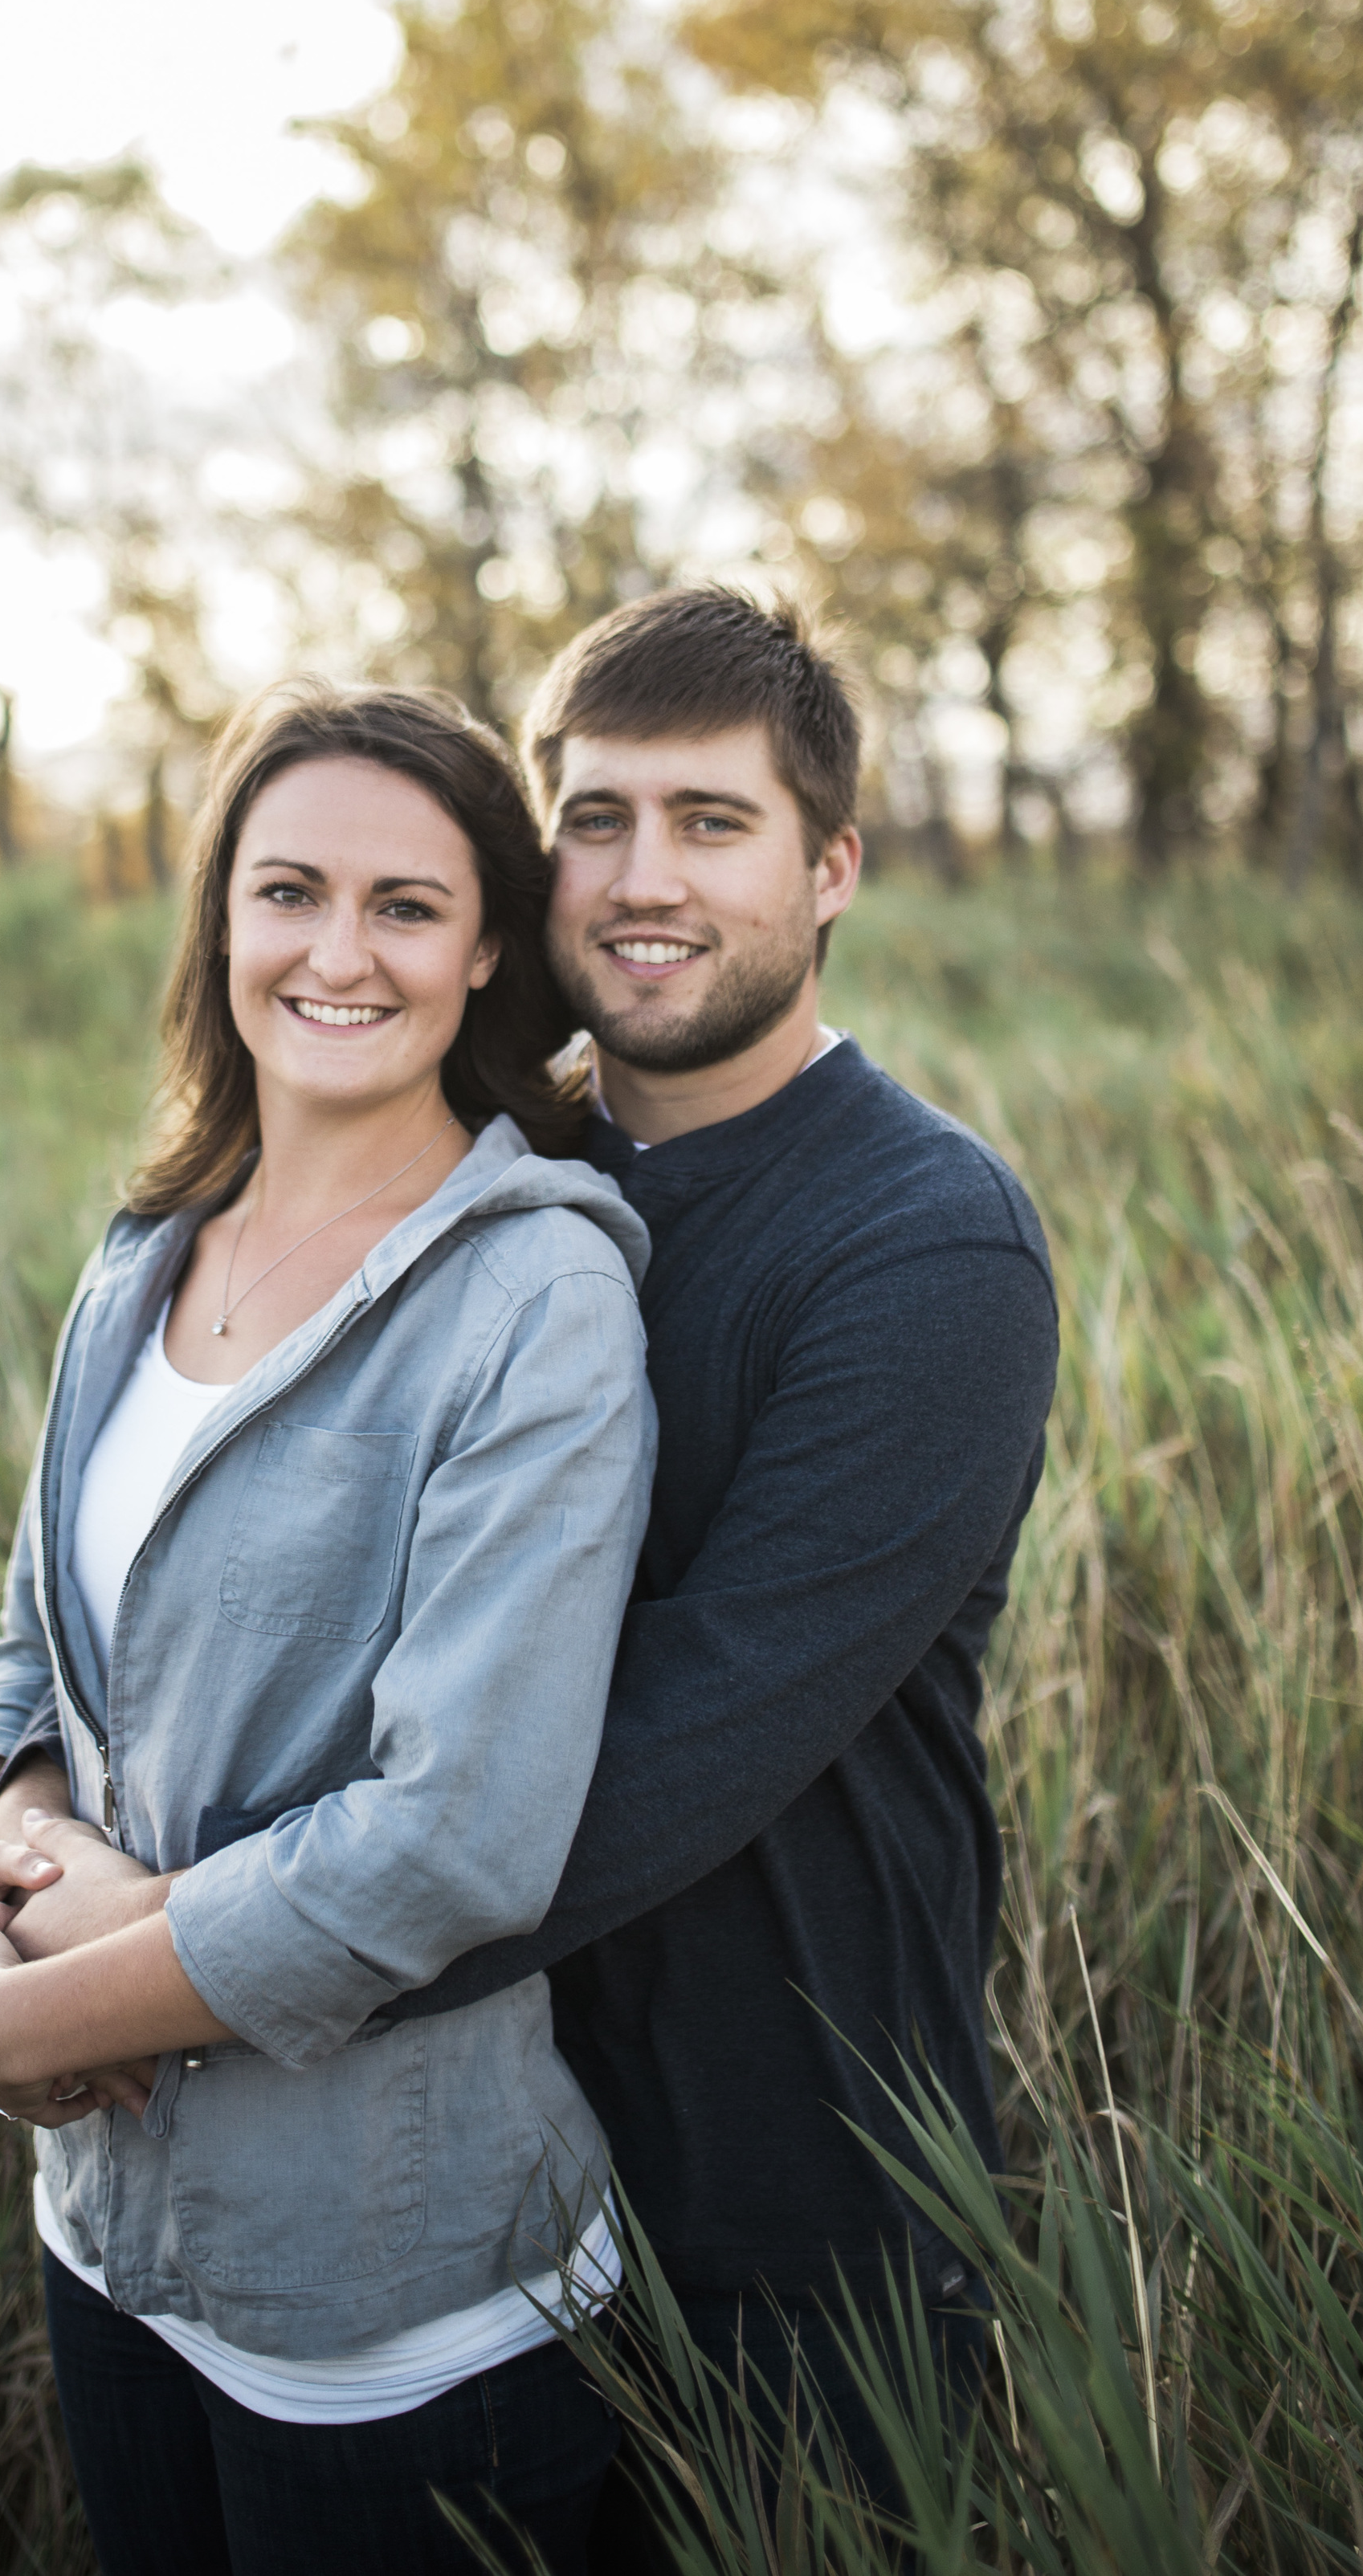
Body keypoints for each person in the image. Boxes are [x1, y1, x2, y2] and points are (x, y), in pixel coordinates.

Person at [0, 683, 655, 2576]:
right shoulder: (150, 1241)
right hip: (105, 2229)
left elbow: (455, 1836)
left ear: (486, 946)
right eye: (287, 890)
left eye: (404, 906)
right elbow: (32, 1650)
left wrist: (18, 2022)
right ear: (219, 921)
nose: (337, 953)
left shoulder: (535, 1298)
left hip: (388, 2297)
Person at [394, 585, 1060, 2533]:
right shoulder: (481, 1180)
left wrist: (197, 1963)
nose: (637, 878)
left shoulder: (924, 1244)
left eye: (709, 821)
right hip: (469, 2167)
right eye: (593, 819)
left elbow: (687, 1738)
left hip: (799, 2196)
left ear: (829, 865)